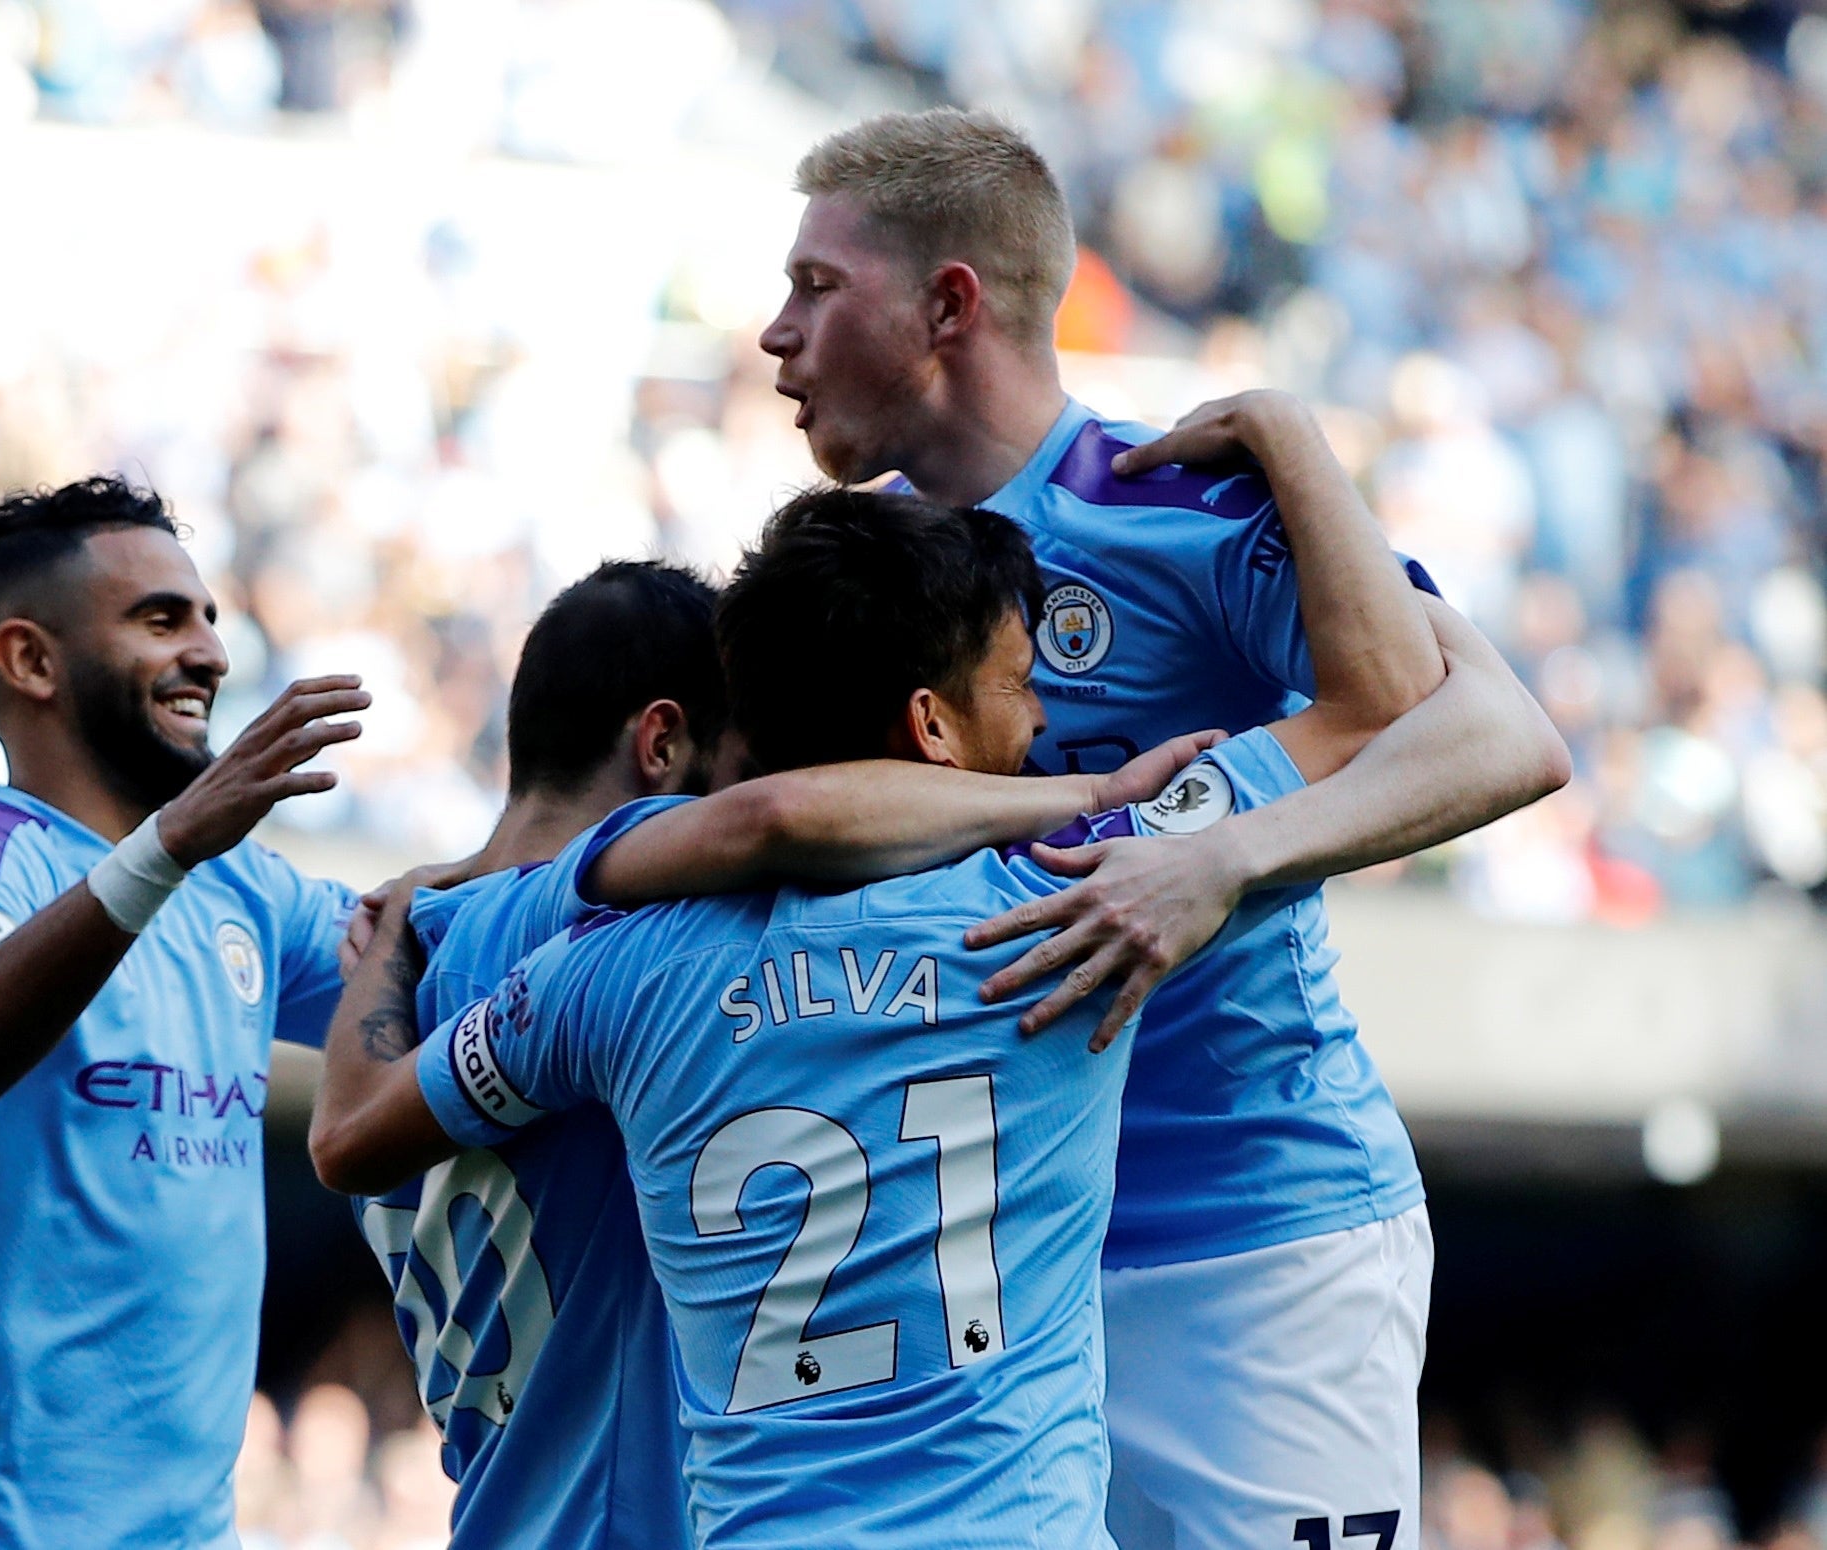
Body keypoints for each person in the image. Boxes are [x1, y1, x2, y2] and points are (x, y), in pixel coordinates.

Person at [315, 429, 1452, 1543]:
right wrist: (1283, 429)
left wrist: (394, 939)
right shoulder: (1085, 901)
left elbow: (356, 1136)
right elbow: (1384, 700)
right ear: (932, 724)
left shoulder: (608, 966)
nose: (1043, 718)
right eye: (1019, 684)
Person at [756, 109, 1572, 1549]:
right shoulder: (842, 581)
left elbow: (1496, 731)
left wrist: (1222, 855)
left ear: (948, 305)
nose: (776, 332)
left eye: (818, 287)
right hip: (986, 1262)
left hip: (1250, 1242)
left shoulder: (1177, 505)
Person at [327, 558, 1218, 1550]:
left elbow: (344, 1135)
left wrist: (410, 901)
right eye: (740, 751)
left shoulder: (407, 955)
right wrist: (1083, 797)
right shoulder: (620, 938)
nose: (758, 774)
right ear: (663, 743)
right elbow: (782, 819)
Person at [0, 476, 368, 1548]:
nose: (212, 653)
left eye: (208, 619)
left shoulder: (245, 890)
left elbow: (431, 953)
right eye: (160, 619)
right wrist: (170, 844)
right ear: (31, 660)